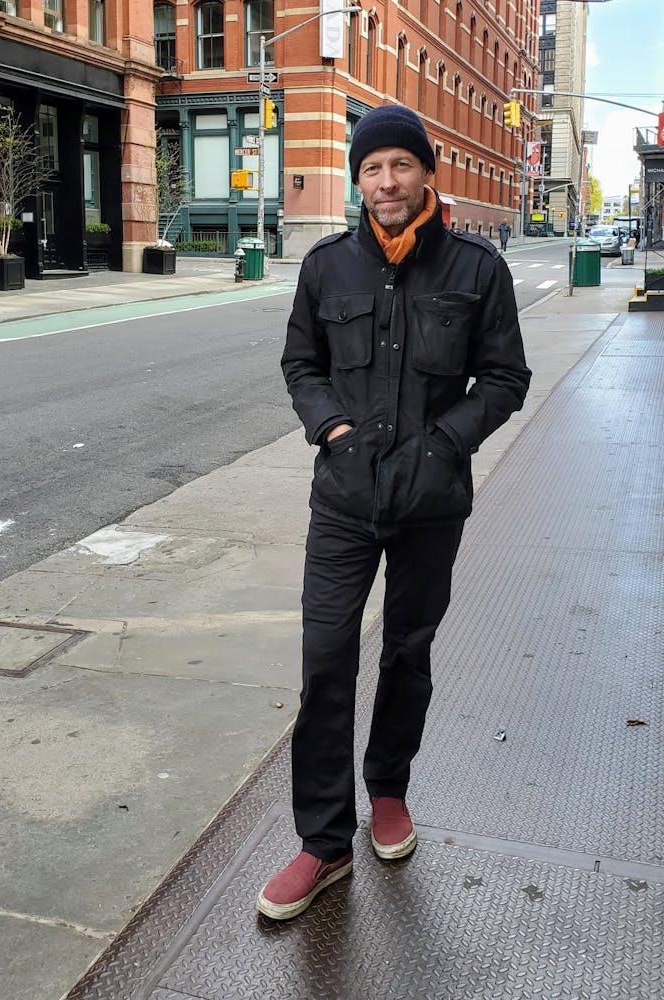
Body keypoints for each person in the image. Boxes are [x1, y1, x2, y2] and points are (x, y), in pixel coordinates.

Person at [257, 104, 531, 921]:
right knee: (325, 662)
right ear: (359, 180)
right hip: (342, 498)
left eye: (400, 166)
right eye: (372, 169)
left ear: (426, 174)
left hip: (430, 504)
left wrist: (445, 445)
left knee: (408, 652)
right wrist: (332, 428)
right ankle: (323, 842)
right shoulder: (327, 266)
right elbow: (300, 361)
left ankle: (389, 792)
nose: (386, 182)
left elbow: (506, 378)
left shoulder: (478, 269)